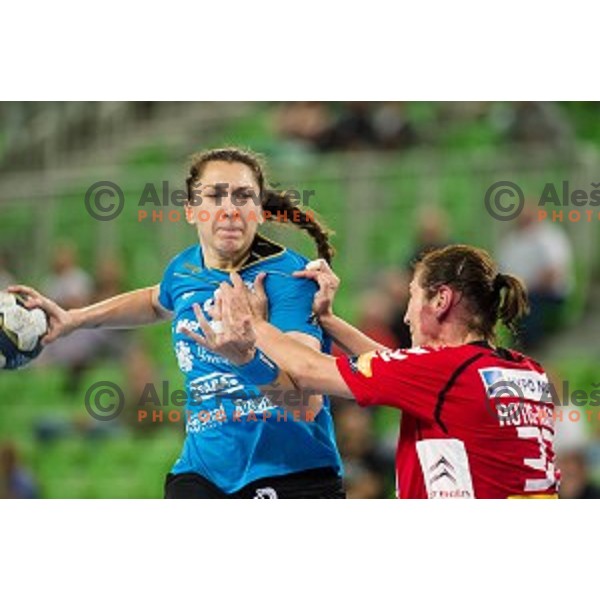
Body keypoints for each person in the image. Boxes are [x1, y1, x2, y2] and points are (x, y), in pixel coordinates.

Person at [10, 147, 344, 499]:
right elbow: (156, 300)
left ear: (259, 211)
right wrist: (74, 318)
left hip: (290, 470)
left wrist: (248, 355)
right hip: (203, 473)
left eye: (243, 196)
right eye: (214, 196)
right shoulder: (184, 269)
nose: (229, 209)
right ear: (191, 211)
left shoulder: (289, 278)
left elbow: (304, 405)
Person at [186, 244, 559, 499]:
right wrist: (327, 321)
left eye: (413, 297)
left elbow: (305, 369)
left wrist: (253, 324)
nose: (406, 315)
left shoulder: (443, 374)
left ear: (441, 300)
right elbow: (406, 373)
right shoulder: (524, 371)